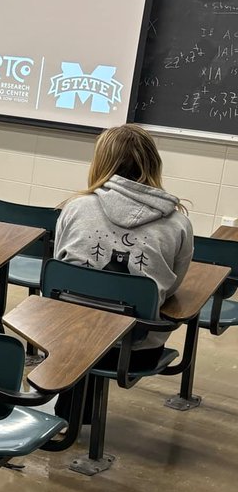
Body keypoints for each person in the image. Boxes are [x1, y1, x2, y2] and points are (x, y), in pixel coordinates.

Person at [54, 123, 193, 369]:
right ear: (153, 163)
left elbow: (62, 271)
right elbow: (171, 287)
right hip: (135, 352)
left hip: (68, 338)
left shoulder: (74, 209)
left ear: (100, 162)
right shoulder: (178, 224)